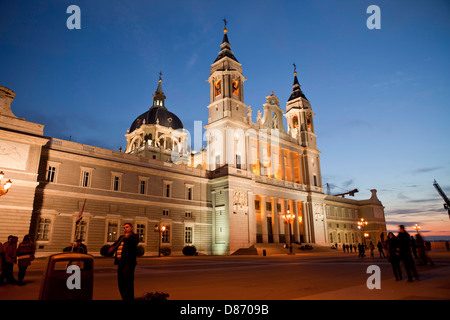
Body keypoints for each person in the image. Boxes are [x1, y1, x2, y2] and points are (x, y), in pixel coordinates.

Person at [108, 223, 140, 300]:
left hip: (128, 263)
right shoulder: (121, 237)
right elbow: (115, 245)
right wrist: (110, 250)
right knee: (121, 283)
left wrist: (128, 238)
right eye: (124, 227)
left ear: (131, 228)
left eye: (127, 227)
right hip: (120, 263)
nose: (125, 229)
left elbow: (133, 244)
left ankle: (130, 298)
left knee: (128, 282)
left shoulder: (134, 237)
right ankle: (124, 298)